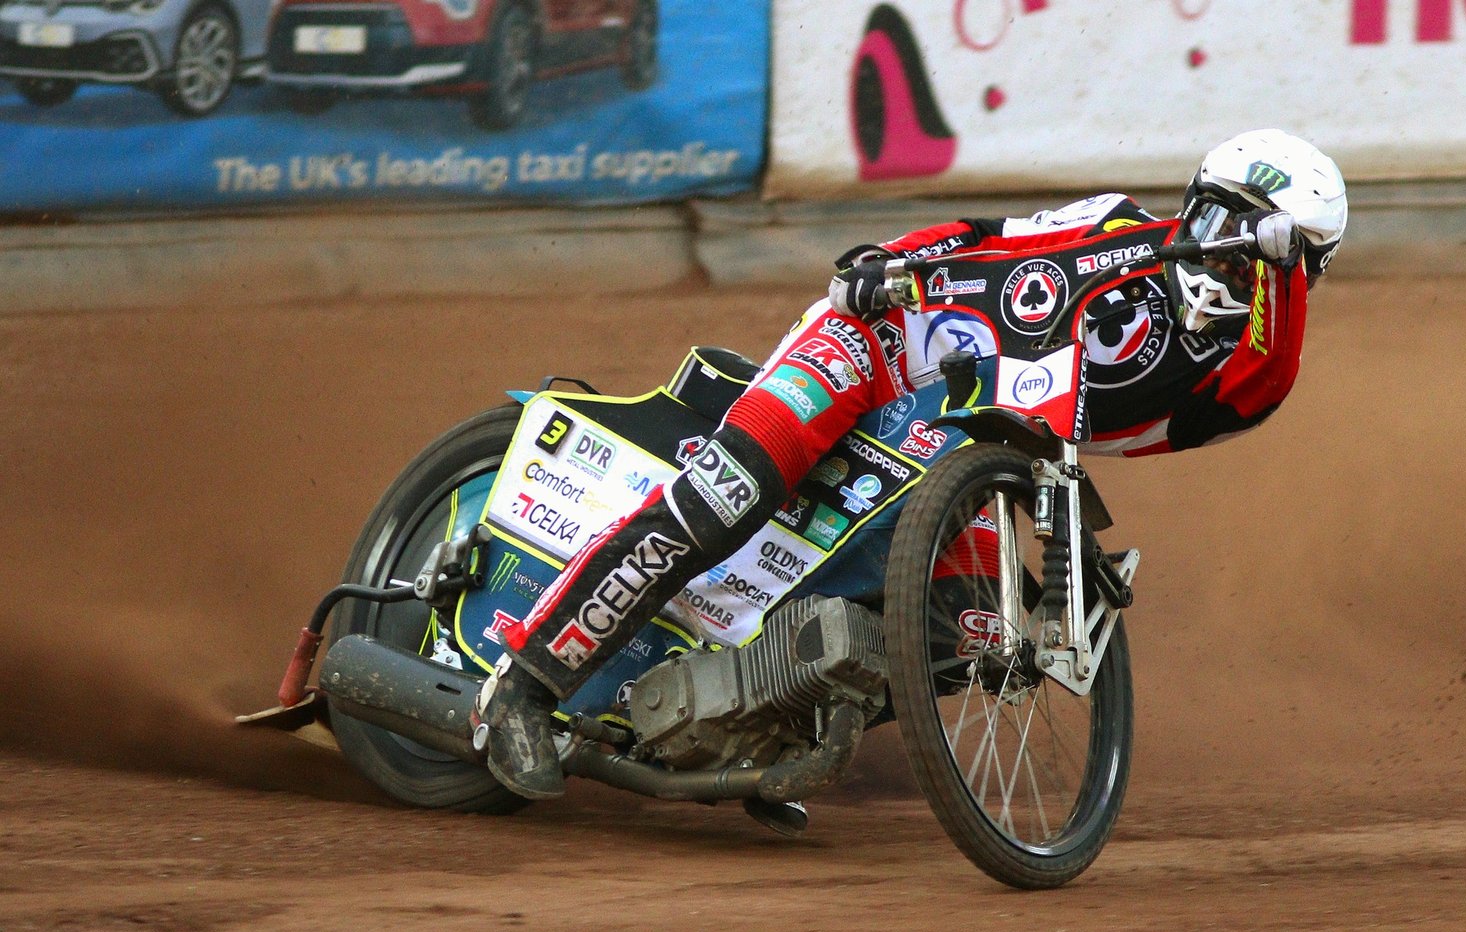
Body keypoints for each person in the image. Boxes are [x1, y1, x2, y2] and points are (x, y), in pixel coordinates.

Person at [473, 128, 1349, 799]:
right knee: (729, 493)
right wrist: (886, 261)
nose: (1221, 250)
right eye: (1215, 219)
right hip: (870, 349)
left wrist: (1271, 256)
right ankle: (522, 685)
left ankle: (771, 726)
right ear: (1189, 200)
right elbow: (989, 233)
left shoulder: (1249, 378)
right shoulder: (1118, 225)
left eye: (1254, 243)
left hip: (965, 443)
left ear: (1298, 274)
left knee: (964, 631)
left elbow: (1272, 360)